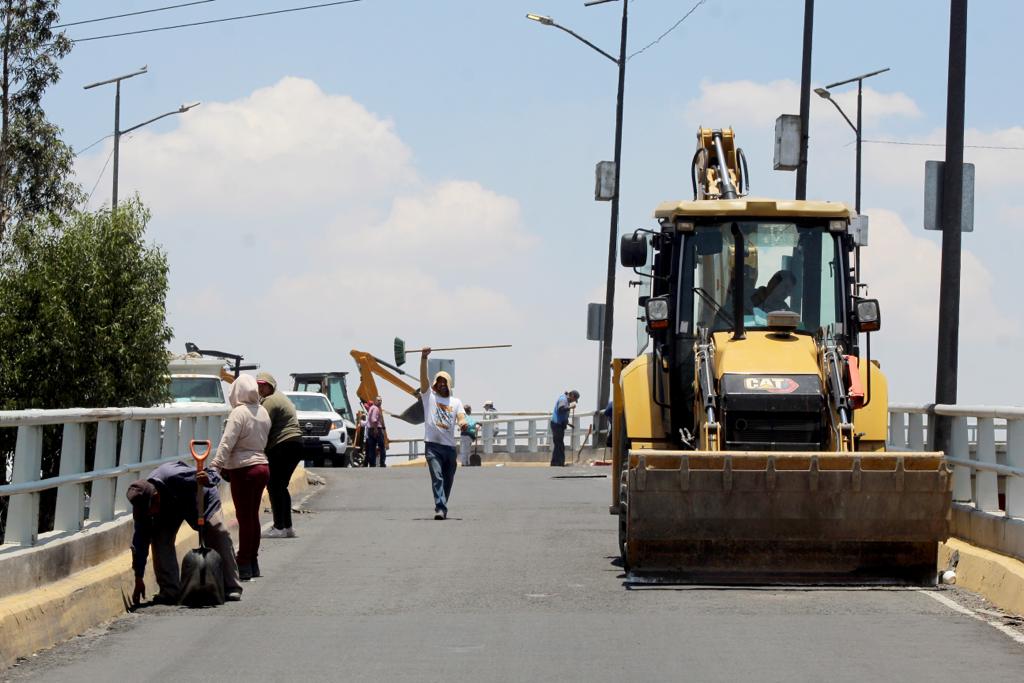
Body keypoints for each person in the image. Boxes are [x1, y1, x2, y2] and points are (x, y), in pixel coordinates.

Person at [127, 461, 242, 604]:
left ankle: (232, 586)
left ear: (156, 496)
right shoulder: (142, 508)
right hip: (170, 510)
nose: (150, 514)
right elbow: (140, 542)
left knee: (218, 532)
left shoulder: (174, 475)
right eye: (147, 512)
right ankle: (170, 591)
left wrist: (207, 479)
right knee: (159, 539)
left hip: (201, 498)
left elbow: (213, 474)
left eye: (151, 509)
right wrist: (139, 578)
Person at [211, 374, 271, 581]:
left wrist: (215, 465)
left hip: (244, 470)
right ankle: (252, 561)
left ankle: (244, 561)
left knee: (244, 519)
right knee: (252, 517)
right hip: (262, 467)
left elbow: (227, 441)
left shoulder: (239, 413)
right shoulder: (262, 411)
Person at [419, 347, 468, 519]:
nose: (441, 384)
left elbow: (461, 416)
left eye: (444, 381)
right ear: (435, 383)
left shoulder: (455, 402)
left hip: (449, 448)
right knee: (437, 477)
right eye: (438, 381)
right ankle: (440, 507)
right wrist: (424, 358)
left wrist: (462, 423)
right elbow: (423, 380)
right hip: (432, 447)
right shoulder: (429, 397)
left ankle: (443, 505)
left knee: (448, 480)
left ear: (448, 384)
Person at [256, 372, 303, 539]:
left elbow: (261, 426)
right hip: (295, 444)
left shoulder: (270, 401)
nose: (260, 388)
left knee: (274, 486)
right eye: (258, 385)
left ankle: (279, 527)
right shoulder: (280, 397)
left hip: (283, 445)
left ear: (271, 386)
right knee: (281, 487)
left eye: (263, 385)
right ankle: (288, 527)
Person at [550, 390, 580, 467]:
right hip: (557, 425)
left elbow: (563, 415)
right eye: (574, 399)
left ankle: (556, 463)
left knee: (559, 444)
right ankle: (558, 463)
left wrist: (568, 423)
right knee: (559, 445)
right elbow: (561, 409)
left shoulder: (566, 400)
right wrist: (570, 407)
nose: (573, 401)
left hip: (559, 425)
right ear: (572, 395)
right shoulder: (563, 400)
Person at [365, 396, 387, 467]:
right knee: (382, 446)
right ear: (375, 401)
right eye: (378, 400)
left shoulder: (371, 408)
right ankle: (382, 463)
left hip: (370, 430)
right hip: (376, 429)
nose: (380, 402)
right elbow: (373, 419)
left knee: (372, 447)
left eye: (381, 400)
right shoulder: (376, 408)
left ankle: (372, 464)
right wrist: (376, 429)